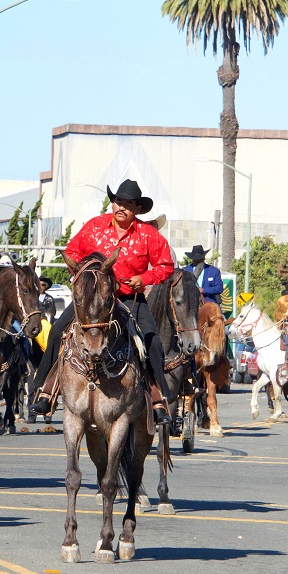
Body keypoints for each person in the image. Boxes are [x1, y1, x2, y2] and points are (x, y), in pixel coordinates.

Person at [30, 179, 176, 424]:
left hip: (129, 298)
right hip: (92, 301)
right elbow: (73, 252)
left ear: (137, 209)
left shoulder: (148, 235)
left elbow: (166, 266)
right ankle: (45, 390)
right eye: (119, 201)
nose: (122, 207)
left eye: (129, 204)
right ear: (113, 202)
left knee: (151, 341)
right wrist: (81, 275)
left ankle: (157, 397)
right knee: (56, 332)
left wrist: (145, 277)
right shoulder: (94, 227)